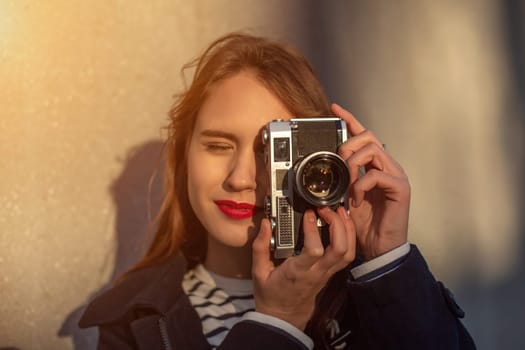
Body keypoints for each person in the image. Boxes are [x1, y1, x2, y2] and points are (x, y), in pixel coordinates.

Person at [79, 32, 476, 349]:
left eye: (271, 151)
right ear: (184, 155)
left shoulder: (368, 298)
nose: (240, 178)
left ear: (318, 161)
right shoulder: (134, 324)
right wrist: (277, 322)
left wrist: (387, 264)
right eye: (218, 146)